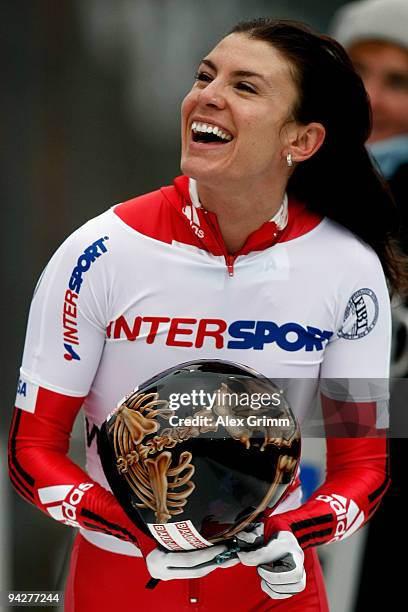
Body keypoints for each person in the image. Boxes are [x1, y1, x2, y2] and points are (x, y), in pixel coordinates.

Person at [8, 18, 406, 612]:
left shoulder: (349, 266)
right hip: (122, 582)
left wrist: (291, 536)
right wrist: (134, 528)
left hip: (275, 592)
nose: (207, 95)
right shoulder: (101, 249)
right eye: (204, 75)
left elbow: (365, 466)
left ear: (301, 141)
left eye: (245, 87)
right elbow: (30, 450)